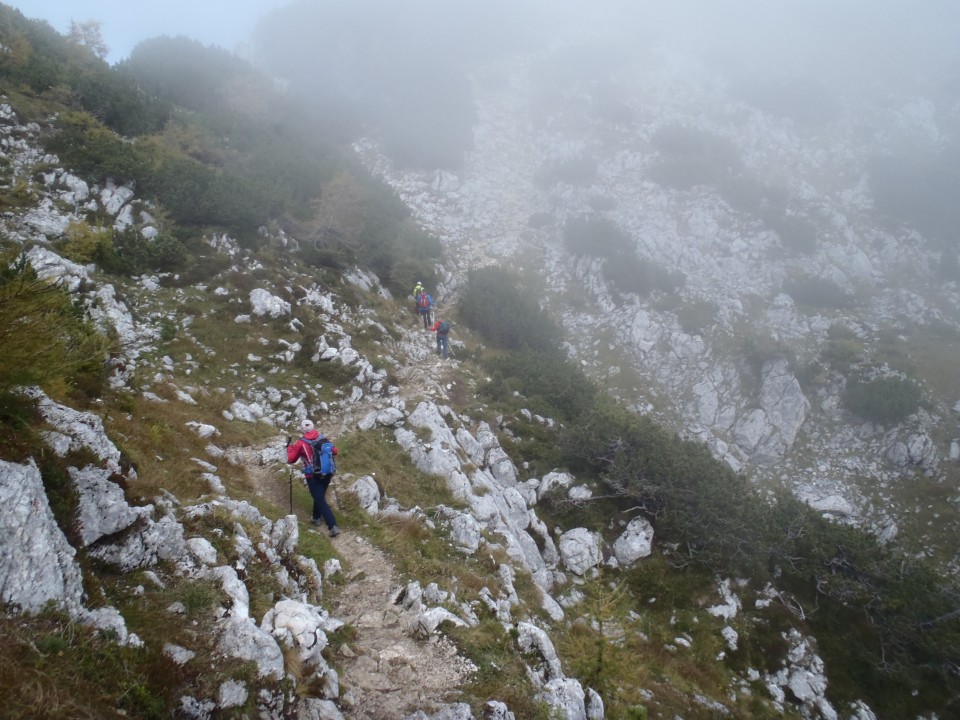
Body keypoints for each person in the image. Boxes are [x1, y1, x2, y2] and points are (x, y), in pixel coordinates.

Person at [286, 419, 340, 537]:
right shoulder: (322, 438)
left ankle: (333, 526)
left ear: (302, 429)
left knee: (320, 499)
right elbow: (335, 451)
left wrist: (289, 447)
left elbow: (291, 459)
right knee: (319, 495)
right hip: (328, 473)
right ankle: (316, 518)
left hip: (313, 475)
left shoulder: (301, 443)